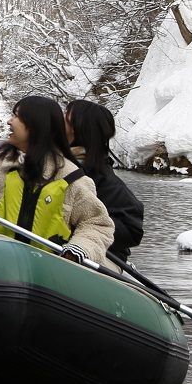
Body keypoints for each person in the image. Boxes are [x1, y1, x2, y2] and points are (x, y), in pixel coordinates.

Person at [0, 95, 115, 265]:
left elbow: (97, 225)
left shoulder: (72, 178)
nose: (9, 121)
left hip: (48, 275)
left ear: (36, 124)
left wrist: (79, 249)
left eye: (16, 116)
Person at [65, 99, 144, 263]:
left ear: (80, 129)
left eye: (66, 119)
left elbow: (132, 230)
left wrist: (75, 223)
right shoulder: (52, 166)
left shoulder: (104, 180)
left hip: (102, 255)